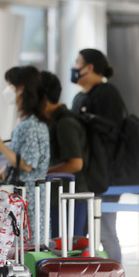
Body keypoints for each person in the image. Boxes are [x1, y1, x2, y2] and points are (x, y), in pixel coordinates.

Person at [70, 48, 125, 261]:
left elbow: (112, 134)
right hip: (87, 177)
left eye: (77, 63)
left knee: (106, 232)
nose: (74, 68)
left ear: (89, 67)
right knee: (84, 235)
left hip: (104, 177)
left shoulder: (107, 94)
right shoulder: (80, 97)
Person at [0, 66, 50, 241]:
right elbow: (17, 160)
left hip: (30, 196)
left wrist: (0, 146)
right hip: (23, 196)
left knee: (28, 245)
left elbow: (27, 164)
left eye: (10, 85)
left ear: (21, 88)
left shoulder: (31, 125)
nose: (7, 90)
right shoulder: (25, 121)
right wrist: (0, 175)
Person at [41, 71, 89, 237]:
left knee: (69, 252)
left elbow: (75, 164)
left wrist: (43, 174)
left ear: (43, 98)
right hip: (60, 196)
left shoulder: (65, 123)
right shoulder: (51, 122)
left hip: (71, 198)